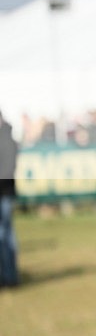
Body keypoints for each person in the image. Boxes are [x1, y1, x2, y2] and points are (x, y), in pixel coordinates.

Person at [0, 111, 20, 288]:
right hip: (6, 191)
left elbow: (7, 170)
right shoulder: (10, 138)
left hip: (4, 192)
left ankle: (9, 276)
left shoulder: (6, 139)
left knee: (4, 235)